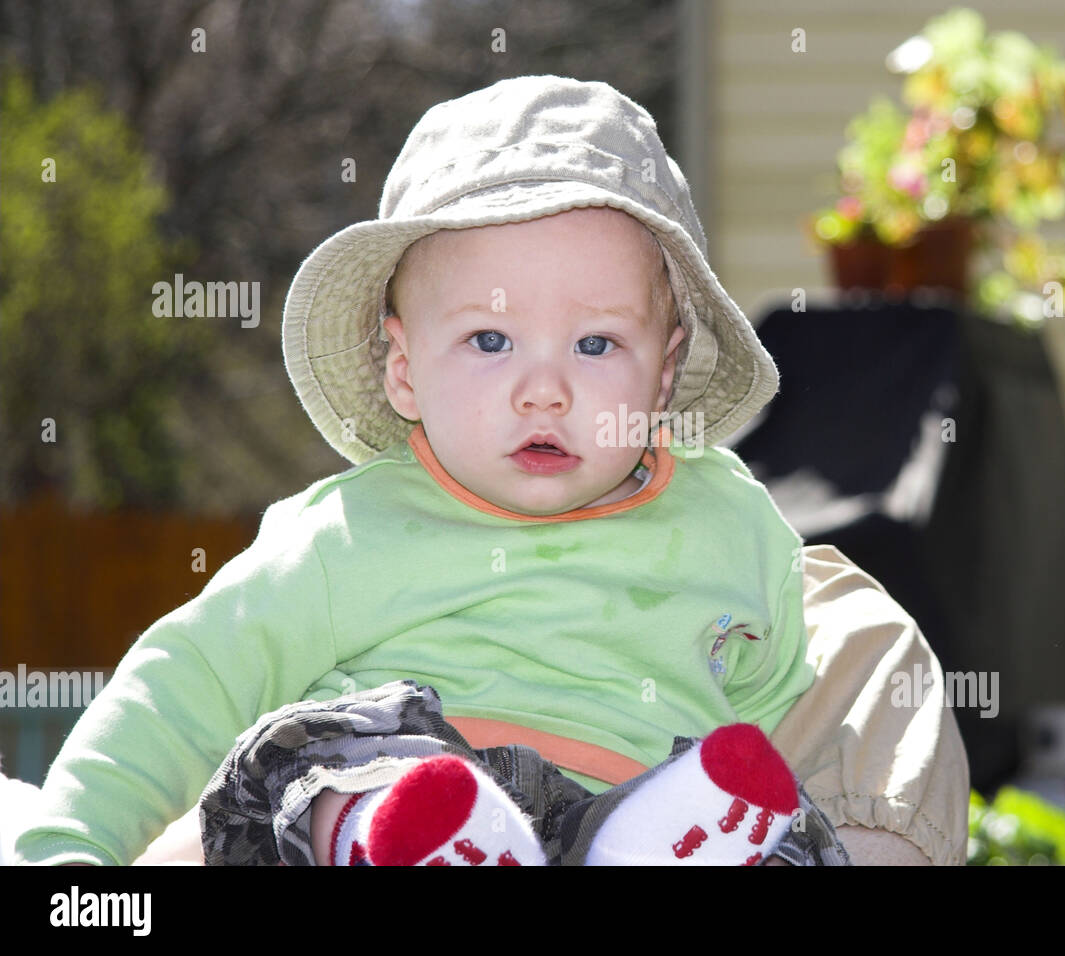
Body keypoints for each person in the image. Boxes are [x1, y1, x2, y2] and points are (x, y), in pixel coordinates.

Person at [12, 75, 967, 866]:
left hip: (620, 809)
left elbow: (771, 694)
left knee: (762, 810)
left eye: (596, 344)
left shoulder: (731, 524)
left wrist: (739, 783)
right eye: (490, 340)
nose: (543, 390)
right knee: (312, 766)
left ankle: (674, 845)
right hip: (407, 782)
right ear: (403, 370)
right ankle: (420, 838)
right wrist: (72, 850)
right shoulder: (345, 534)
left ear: (666, 370)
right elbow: (184, 685)